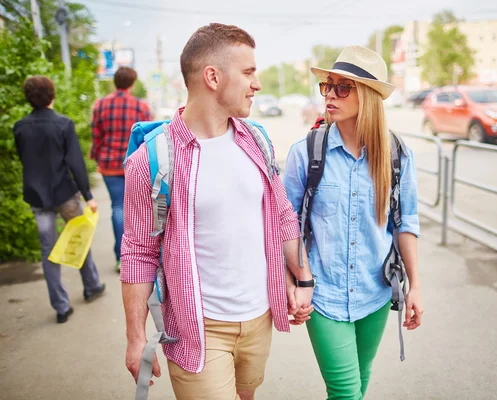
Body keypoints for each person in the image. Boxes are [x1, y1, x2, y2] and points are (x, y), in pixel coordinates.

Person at [120, 23, 314, 400]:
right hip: (199, 331)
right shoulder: (153, 160)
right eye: (248, 72)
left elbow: (282, 216)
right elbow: (138, 253)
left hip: (261, 318)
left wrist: (301, 278)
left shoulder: (255, 139)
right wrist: (135, 338)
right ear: (212, 76)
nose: (256, 84)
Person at [283, 46, 424, 400]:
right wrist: (295, 280)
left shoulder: (396, 155)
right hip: (323, 294)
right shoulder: (306, 153)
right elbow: (286, 225)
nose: (330, 94)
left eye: (342, 87)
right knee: (345, 392)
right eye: (327, 86)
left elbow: (406, 222)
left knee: (360, 382)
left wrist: (415, 286)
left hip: (375, 292)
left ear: (368, 96)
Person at [13, 76, 106, 324]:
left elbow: (24, 159)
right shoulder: (64, 124)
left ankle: (61, 306)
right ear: (52, 95)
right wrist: (88, 196)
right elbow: (75, 163)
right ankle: (91, 285)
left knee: (48, 250)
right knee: (79, 238)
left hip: (37, 196)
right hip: (65, 193)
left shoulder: (20, 126)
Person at [91, 67, 152, 272]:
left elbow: (96, 135)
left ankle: (121, 257)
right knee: (138, 209)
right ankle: (139, 254)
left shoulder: (100, 105)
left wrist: (95, 155)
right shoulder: (140, 106)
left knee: (118, 207)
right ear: (132, 83)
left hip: (109, 164)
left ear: (115, 82)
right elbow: (148, 137)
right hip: (135, 163)